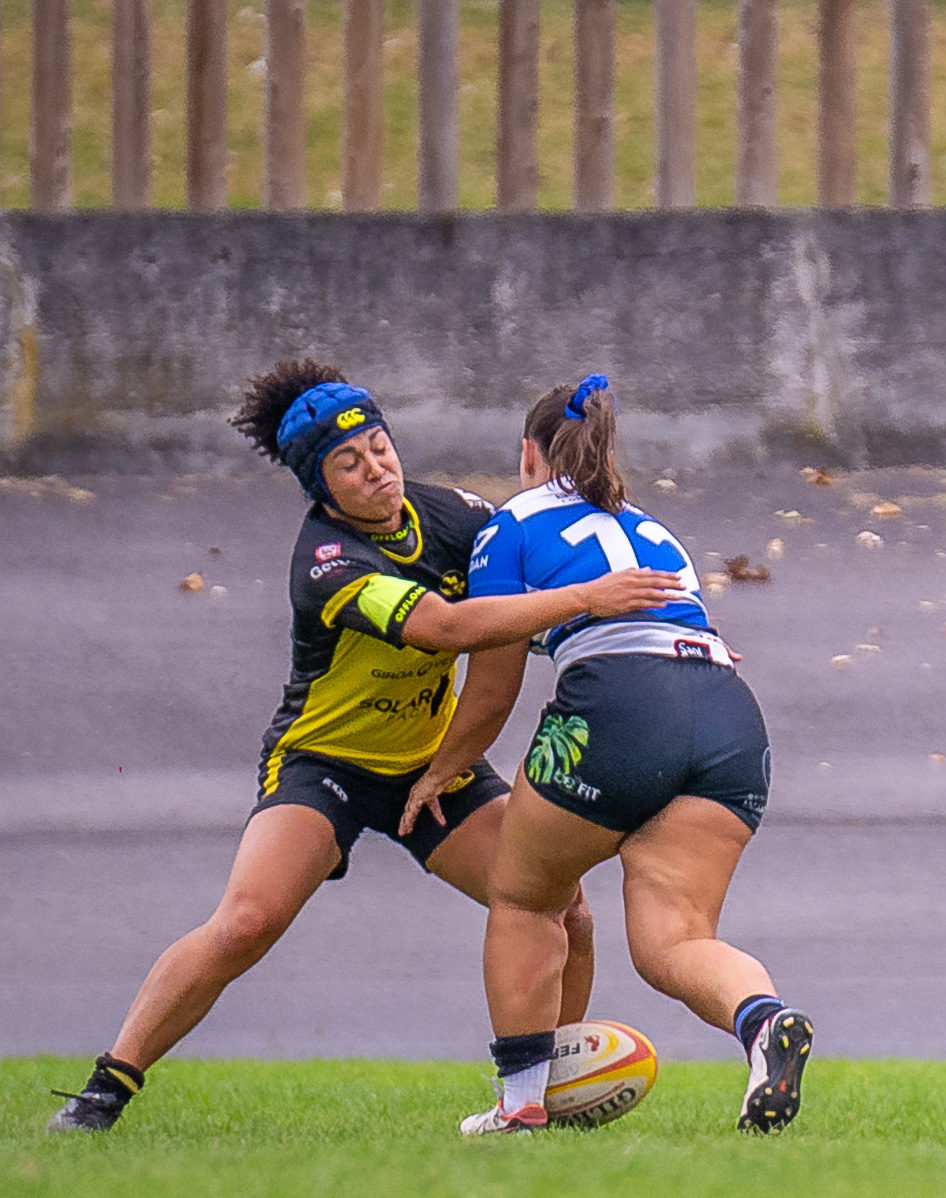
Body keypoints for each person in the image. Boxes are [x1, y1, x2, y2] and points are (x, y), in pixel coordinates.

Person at [47, 361, 686, 1133]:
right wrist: (589, 598)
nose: (375, 469)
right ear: (322, 490)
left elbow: (553, 549)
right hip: (325, 765)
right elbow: (446, 630)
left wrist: (676, 635)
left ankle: (537, 1100)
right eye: (349, 464)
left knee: (562, 908)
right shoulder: (328, 561)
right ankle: (105, 1090)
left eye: (379, 447)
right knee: (248, 919)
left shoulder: (452, 515)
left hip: (431, 764)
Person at [400, 374, 810, 1136]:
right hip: (728, 714)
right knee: (675, 942)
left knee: (526, 897)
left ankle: (520, 1107)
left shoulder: (512, 525)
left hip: (621, 706)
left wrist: (440, 770)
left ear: (528, 454)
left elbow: (491, 689)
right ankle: (763, 1023)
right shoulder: (654, 529)